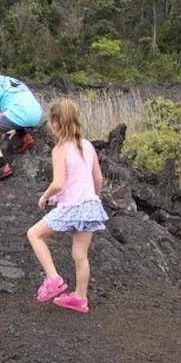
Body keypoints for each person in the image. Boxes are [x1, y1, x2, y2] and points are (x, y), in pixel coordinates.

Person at [26, 99, 108, 313]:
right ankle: (80, 299)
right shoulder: (87, 146)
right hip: (90, 205)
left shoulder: (60, 148)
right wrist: (93, 198)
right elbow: (98, 178)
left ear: (56, 123)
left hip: (71, 206)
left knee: (34, 234)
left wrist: (45, 197)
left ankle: (53, 278)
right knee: (80, 255)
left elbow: (58, 183)